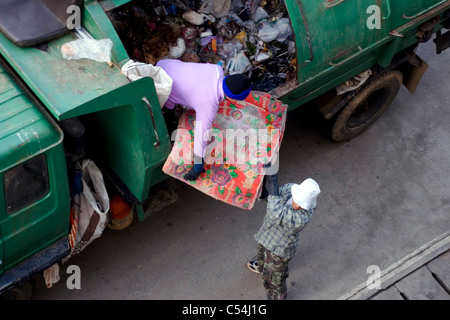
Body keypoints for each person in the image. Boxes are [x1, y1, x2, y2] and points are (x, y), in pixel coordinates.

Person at [156, 59, 252, 181]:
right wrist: (197, 164)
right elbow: (201, 134)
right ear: (234, 99)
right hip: (161, 87)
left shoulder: (216, 69)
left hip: (163, 64)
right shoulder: (209, 105)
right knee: (168, 120)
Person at [247, 177, 321, 300]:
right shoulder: (289, 189)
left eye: (301, 205)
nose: (297, 206)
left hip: (280, 249)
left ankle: (276, 297)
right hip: (267, 235)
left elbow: (275, 212)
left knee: (274, 279)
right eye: (297, 201)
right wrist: (264, 191)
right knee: (261, 253)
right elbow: (271, 200)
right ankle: (261, 267)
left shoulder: (302, 218)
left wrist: (274, 185)